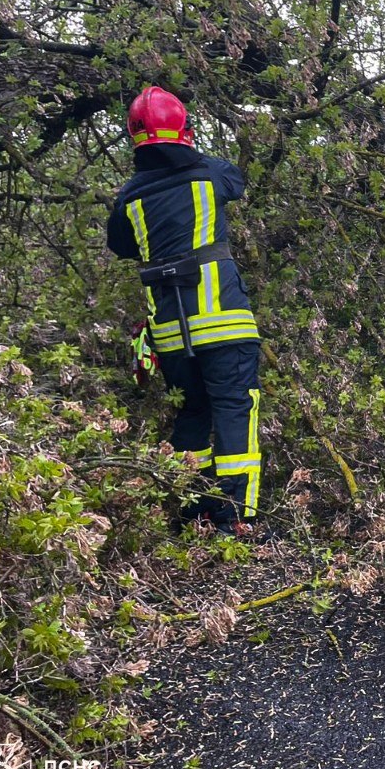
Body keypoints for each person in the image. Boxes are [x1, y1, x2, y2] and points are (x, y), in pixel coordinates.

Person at [107, 86, 263, 534]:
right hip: (225, 324)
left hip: (172, 337)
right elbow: (237, 180)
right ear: (186, 132)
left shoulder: (128, 200)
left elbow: (120, 244)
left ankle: (192, 512)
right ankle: (237, 519)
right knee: (236, 408)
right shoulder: (209, 174)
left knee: (194, 413)